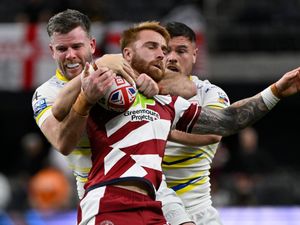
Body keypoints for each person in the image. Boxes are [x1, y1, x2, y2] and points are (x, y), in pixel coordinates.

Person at [62, 21, 299, 224]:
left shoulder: (170, 103)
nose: (165, 56)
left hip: (162, 204)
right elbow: (60, 109)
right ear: (127, 54)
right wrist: (94, 76)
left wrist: (276, 91)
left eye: (166, 50)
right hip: (113, 198)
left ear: (195, 54)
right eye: (153, 47)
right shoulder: (107, 84)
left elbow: (227, 122)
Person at [32, 9, 159, 201]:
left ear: (92, 45)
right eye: (62, 49)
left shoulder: (119, 70)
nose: (70, 55)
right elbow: (62, 143)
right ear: (52, 51)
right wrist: (90, 86)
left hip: (146, 187)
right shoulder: (45, 94)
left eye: (77, 46)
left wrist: (152, 89)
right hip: (96, 193)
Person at [157, 22, 229, 225]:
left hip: (196, 212)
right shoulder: (138, 93)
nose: (172, 57)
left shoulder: (210, 93)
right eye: (165, 50)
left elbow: (214, 132)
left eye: (181, 51)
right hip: (149, 209)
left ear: (195, 55)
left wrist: (161, 128)